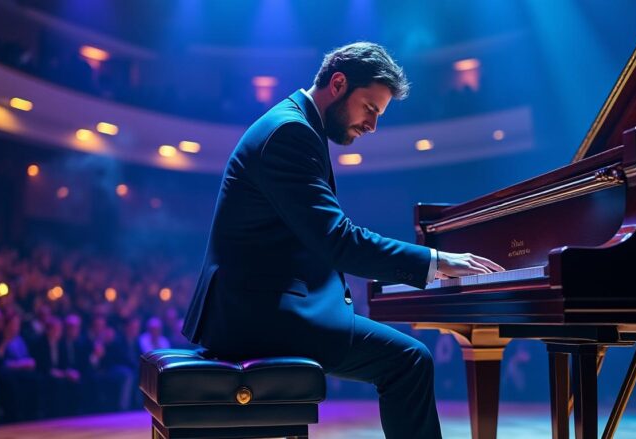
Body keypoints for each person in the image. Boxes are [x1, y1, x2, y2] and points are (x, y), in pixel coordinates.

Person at [182, 42, 503, 438]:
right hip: (255, 316)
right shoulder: (290, 133)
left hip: (258, 307)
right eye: (370, 108)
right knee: (409, 360)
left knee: (406, 357)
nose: (372, 125)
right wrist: (436, 261)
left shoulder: (295, 124)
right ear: (338, 84)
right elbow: (338, 241)